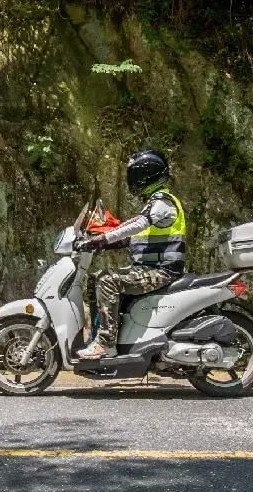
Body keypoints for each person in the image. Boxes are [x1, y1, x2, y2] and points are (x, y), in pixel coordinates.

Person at [75, 149, 187, 359]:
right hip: (150, 269)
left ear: (147, 175)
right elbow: (134, 236)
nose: (132, 180)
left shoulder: (163, 202)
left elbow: (137, 224)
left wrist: (104, 238)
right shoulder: (154, 203)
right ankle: (99, 336)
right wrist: (103, 244)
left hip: (162, 271)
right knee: (95, 279)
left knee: (108, 281)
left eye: (135, 175)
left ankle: (105, 344)